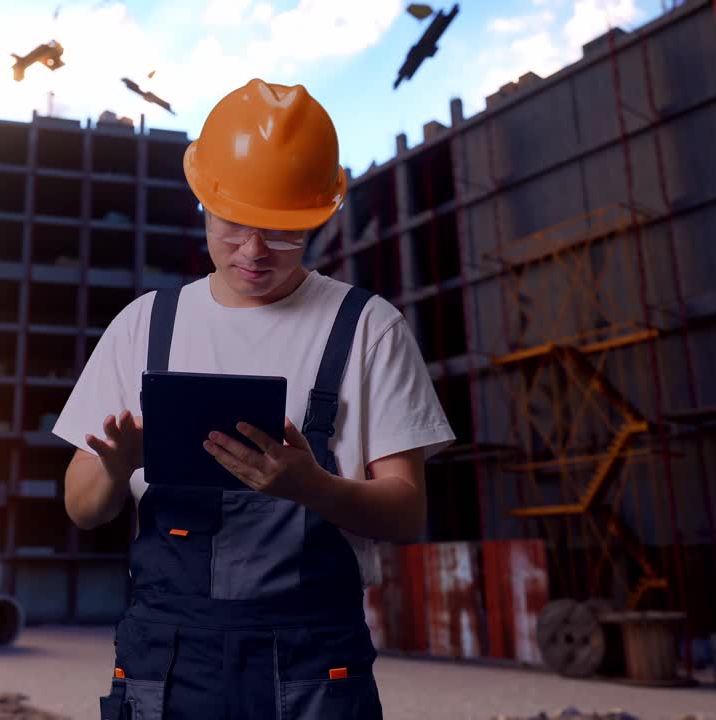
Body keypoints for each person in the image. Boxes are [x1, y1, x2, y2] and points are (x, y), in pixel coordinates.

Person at [51, 78, 454, 720]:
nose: (256, 252)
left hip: (314, 668)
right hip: (167, 666)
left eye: (283, 232)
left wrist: (311, 487)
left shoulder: (366, 327)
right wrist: (114, 463)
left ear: (319, 217)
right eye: (235, 226)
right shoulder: (145, 327)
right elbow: (82, 508)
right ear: (204, 202)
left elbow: (406, 512)